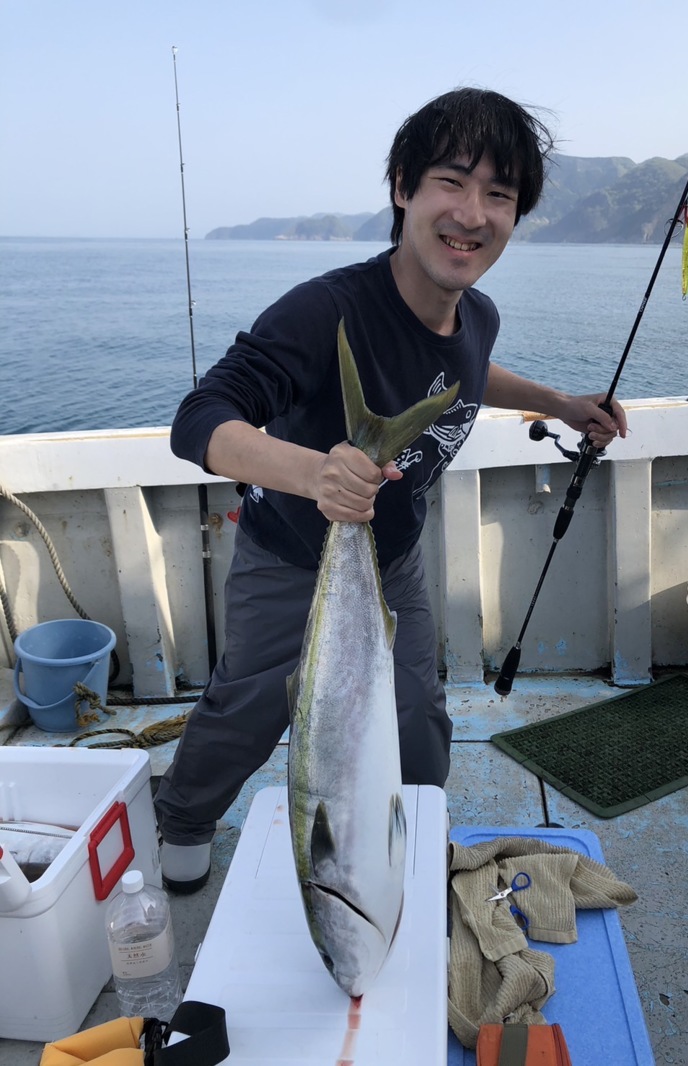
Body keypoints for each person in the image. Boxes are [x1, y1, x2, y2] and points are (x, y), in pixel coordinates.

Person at [154, 87, 628, 892]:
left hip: (394, 560)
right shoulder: (324, 311)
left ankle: (406, 838)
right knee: (249, 712)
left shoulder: (476, 314)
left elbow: (464, 376)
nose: (472, 213)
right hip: (290, 558)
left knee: (415, 715)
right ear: (403, 186)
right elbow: (200, 418)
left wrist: (557, 402)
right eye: (451, 182)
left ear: (517, 216)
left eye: (500, 195)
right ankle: (184, 820)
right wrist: (315, 474)